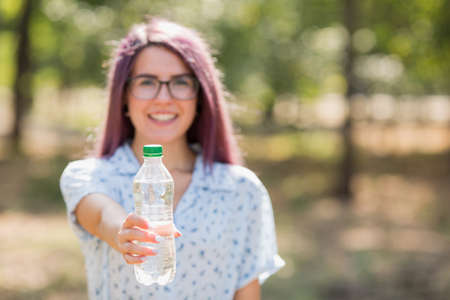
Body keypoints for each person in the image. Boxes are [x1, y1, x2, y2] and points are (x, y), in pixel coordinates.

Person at [60, 17, 284, 300]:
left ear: (200, 96)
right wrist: (124, 233)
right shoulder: (89, 176)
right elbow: (103, 216)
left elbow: (246, 292)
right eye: (146, 82)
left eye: (180, 82)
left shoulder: (241, 190)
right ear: (124, 96)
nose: (164, 98)